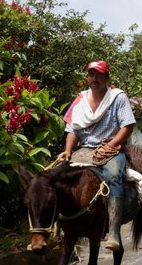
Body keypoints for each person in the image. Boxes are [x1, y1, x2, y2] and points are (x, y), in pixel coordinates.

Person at [57, 61, 135, 251]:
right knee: (58, 177)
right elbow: (72, 129)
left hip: (111, 149)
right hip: (84, 150)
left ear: (107, 77)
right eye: (91, 75)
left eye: (99, 75)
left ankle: (114, 231)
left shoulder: (118, 97)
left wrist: (109, 145)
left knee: (114, 175)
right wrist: (68, 150)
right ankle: (57, 229)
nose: (94, 79)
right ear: (87, 78)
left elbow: (127, 126)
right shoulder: (80, 100)